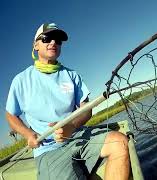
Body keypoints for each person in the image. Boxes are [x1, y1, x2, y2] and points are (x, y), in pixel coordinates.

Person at [5, 23, 129, 180]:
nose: (53, 43)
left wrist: (71, 126)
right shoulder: (21, 80)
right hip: (48, 149)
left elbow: (86, 109)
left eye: (58, 40)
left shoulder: (72, 75)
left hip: (79, 135)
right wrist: (28, 134)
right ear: (36, 45)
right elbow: (11, 115)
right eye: (47, 38)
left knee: (120, 142)